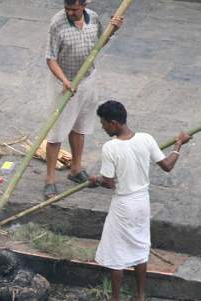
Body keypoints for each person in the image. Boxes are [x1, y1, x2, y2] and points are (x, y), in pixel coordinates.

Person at [89, 100, 192, 301]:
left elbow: (109, 182)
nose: (102, 127)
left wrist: (96, 180)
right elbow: (167, 166)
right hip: (143, 202)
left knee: (116, 252)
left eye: (104, 123)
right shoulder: (146, 139)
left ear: (114, 123)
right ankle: (140, 298)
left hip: (124, 203)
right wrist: (178, 145)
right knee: (140, 246)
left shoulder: (110, 147)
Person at [44, 0, 123, 199]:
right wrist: (64, 80)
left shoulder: (93, 18)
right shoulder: (57, 23)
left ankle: (76, 169)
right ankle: (50, 179)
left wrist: (112, 30)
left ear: (84, 6)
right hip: (64, 83)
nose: (70, 13)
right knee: (56, 133)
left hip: (87, 79)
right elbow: (50, 58)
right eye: (67, 9)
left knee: (80, 126)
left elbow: (98, 44)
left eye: (74, 9)